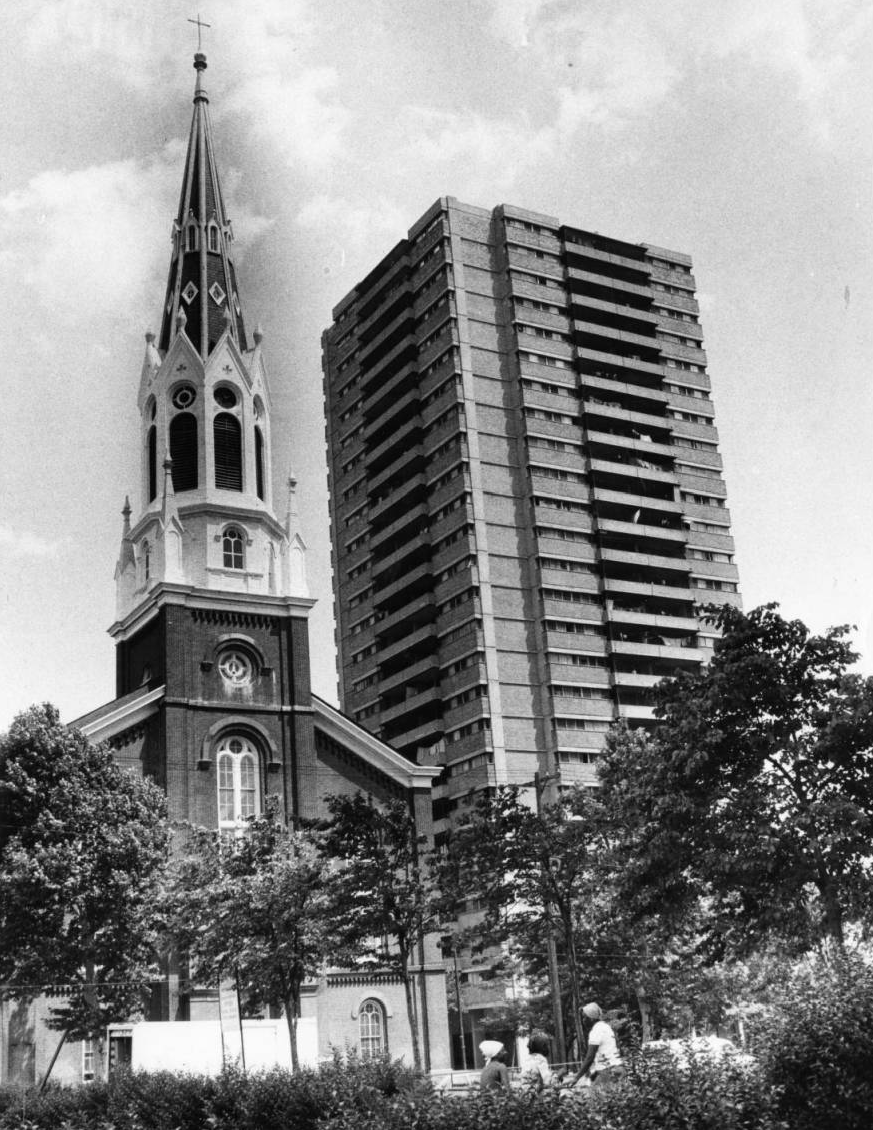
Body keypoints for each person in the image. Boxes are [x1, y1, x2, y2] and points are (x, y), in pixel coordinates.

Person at [574, 1002, 625, 1088]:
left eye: (584, 1018)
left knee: (594, 1098)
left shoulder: (595, 1031)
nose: (583, 1021)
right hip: (618, 1068)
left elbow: (590, 1057)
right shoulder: (606, 1027)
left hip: (607, 1071)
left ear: (591, 1018)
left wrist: (576, 1078)